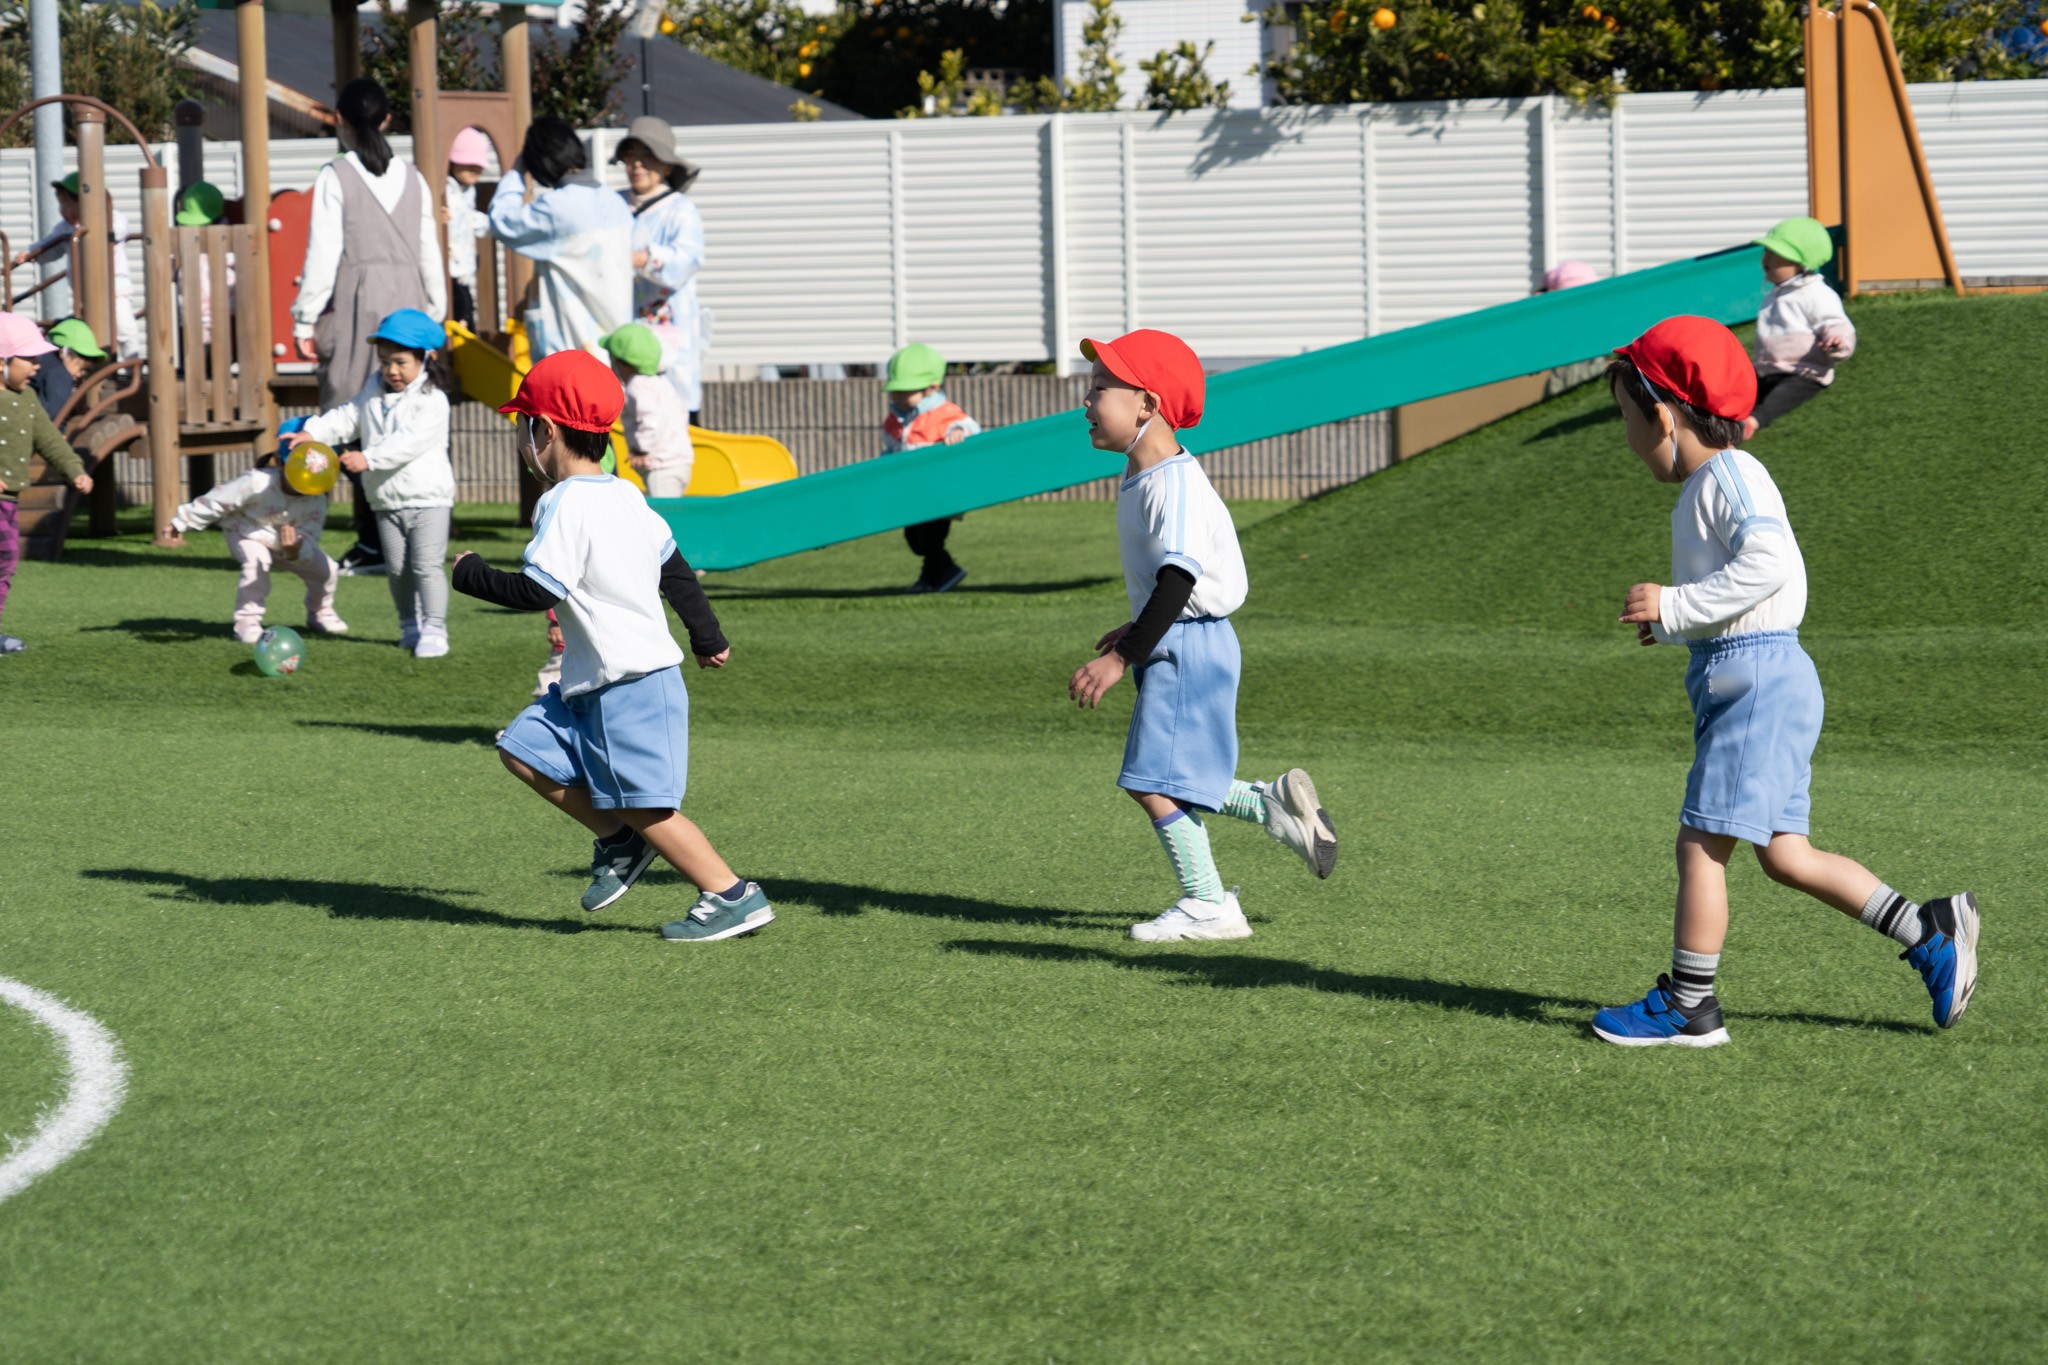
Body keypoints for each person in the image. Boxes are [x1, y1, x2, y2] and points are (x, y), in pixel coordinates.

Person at [1593, 316, 1977, 1047]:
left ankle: (1689, 1006)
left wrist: (1675, 604)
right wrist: (1674, 622)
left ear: (1664, 417)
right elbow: (1740, 592)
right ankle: (1930, 932)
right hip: (1757, 676)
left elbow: (1766, 565)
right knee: (1786, 855)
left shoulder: (1728, 477)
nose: (1627, 436)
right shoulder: (1715, 482)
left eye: (1626, 418)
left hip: (1756, 681)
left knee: (1700, 845)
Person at [452, 350, 773, 942]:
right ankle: (619, 842)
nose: (521, 440)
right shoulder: (626, 493)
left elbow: (535, 589)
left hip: (632, 684)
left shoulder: (563, 502)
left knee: (648, 808)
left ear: (546, 430)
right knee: (523, 749)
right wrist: (707, 636)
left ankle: (732, 896)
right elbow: (675, 569)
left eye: (522, 426)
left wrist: (470, 573)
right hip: (594, 683)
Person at [1067, 329, 1338, 942]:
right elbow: (1173, 584)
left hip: (1189, 647)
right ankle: (1272, 806)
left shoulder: (1173, 483)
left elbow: (1179, 578)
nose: (1086, 401)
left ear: (1147, 403)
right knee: (1174, 776)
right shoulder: (1148, 474)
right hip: (1182, 640)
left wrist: (1122, 657)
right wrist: (1138, 629)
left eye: (1100, 388)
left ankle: (1209, 904)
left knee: (1150, 782)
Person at [291, 78, 446, 577]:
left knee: (354, 410)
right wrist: (436, 309)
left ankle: (373, 540)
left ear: (340, 120)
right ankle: (401, 536)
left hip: (359, 302)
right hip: (411, 300)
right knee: (404, 412)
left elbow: (323, 252)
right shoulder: (415, 177)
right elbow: (429, 249)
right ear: (387, 120)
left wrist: (305, 315)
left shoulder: (336, 174)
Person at [288, 309, 455, 658]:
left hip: (429, 499)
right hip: (385, 499)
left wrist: (369, 458)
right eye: (384, 362)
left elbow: (410, 442)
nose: (391, 370)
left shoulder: (433, 401)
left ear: (426, 358)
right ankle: (409, 625)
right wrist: (313, 432)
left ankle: (435, 628)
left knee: (426, 566)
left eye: (401, 362)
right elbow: (348, 416)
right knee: (397, 569)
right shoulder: (373, 391)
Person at [162, 440, 347, 644]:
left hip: (287, 545)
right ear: (281, 463)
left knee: (327, 569)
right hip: (246, 532)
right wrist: (182, 521)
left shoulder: (317, 499)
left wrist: (295, 550)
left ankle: (320, 611)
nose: (304, 485)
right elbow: (217, 501)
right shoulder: (256, 482)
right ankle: (247, 622)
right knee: (257, 562)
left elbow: (310, 537)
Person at [488, 117, 634, 363]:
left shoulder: (557, 208)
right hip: (617, 349)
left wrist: (517, 171)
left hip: (572, 350)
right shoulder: (614, 201)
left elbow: (502, 220)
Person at [0, 313, 93, 655]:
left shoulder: (26, 399)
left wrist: (74, 469)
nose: (38, 367)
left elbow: (49, 439)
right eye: (29, 359)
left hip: (9, 501)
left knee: (6, 561)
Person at [612, 115, 709, 421]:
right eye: (631, 157)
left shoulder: (680, 210)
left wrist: (642, 258)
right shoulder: (612, 205)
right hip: (622, 332)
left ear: (667, 166)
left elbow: (687, 260)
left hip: (668, 335)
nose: (637, 165)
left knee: (671, 417)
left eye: (647, 157)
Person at [1743, 216, 1855, 441]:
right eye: (1767, 252)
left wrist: (1837, 343)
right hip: (1768, 368)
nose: (1767, 259)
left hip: (1804, 370)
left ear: (1802, 264)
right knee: (1741, 383)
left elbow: (1836, 323)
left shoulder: (1816, 293)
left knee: (1788, 393)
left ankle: (1752, 421)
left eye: (1777, 255)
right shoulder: (1776, 293)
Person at [881, 343, 979, 594]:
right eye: (895, 392)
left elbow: (969, 427)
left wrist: (958, 432)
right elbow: (891, 450)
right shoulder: (896, 420)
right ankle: (943, 572)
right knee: (915, 540)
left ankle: (935, 577)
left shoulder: (943, 413)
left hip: (938, 492)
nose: (898, 398)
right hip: (911, 492)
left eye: (906, 392)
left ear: (932, 388)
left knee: (930, 538)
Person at [9, 172, 140, 358]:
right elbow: (50, 247)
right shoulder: (65, 228)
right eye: (61, 204)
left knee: (124, 328)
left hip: (115, 289)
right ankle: (96, 366)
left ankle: (131, 365)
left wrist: (93, 224)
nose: (64, 210)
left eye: (69, 204)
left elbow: (118, 231)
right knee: (92, 333)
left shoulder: (112, 217)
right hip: (86, 293)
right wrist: (31, 253)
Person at [601, 322, 693, 497]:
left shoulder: (637, 386)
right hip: (681, 462)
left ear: (625, 364)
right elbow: (682, 414)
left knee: (662, 510)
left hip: (661, 466)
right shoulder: (662, 383)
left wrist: (641, 449)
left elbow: (650, 420)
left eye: (612, 360)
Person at [445, 127, 493, 331]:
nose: (475, 169)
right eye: (467, 164)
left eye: (478, 165)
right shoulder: (444, 188)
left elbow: (469, 219)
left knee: (466, 313)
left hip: (462, 270)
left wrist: (497, 224)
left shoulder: (468, 191)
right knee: (461, 314)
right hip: (448, 268)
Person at [28, 317, 106, 422]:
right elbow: (55, 417)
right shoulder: (59, 374)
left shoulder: (41, 361)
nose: (79, 374)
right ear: (65, 354)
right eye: (81, 368)